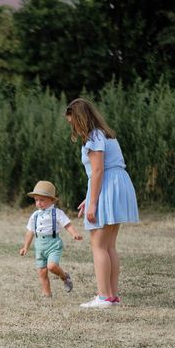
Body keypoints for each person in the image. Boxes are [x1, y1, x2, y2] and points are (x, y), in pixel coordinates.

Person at [65, 98, 139, 309]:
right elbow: (99, 171)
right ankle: (112, 295)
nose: (73, 128)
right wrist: (88, 198)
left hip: (108, 184)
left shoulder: (94, 137)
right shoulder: (105, 134)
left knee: (98, 245)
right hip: (115, 183)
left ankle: (104, 296)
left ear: (80, 119)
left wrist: (93, 203)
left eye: (73, 123)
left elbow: (98, 171)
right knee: (109, 246)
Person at [20, 180, 83, 298]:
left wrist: (74, 233)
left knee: (52, 266)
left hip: (53, 243)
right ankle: (47, 294)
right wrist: (25, 247)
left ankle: (64, 276)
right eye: (36, 200)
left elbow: (67, 224)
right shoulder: (35, 215)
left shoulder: (57, 213)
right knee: (42, 271)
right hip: (39, 245)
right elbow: (30, 232)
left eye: (42, 200)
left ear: (52, 200)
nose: (39, 203)